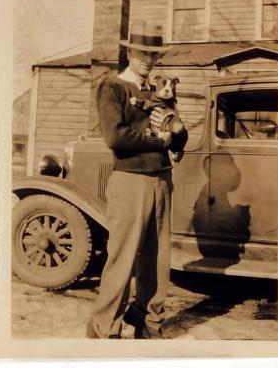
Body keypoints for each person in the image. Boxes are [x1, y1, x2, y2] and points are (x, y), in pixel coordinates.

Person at [86, 21, 188, 339]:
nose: (148, 60)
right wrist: (162, 141)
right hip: (130, 181)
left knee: (157, 261)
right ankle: (104, 329)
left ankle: (148, 322)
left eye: (153, 54)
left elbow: (178, 135)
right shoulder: (113, 87)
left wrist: (179, 134)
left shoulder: (159, 91)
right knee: (123, 259)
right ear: (130, 51)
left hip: (162, 180)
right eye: (142, 53)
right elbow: (116, 138)